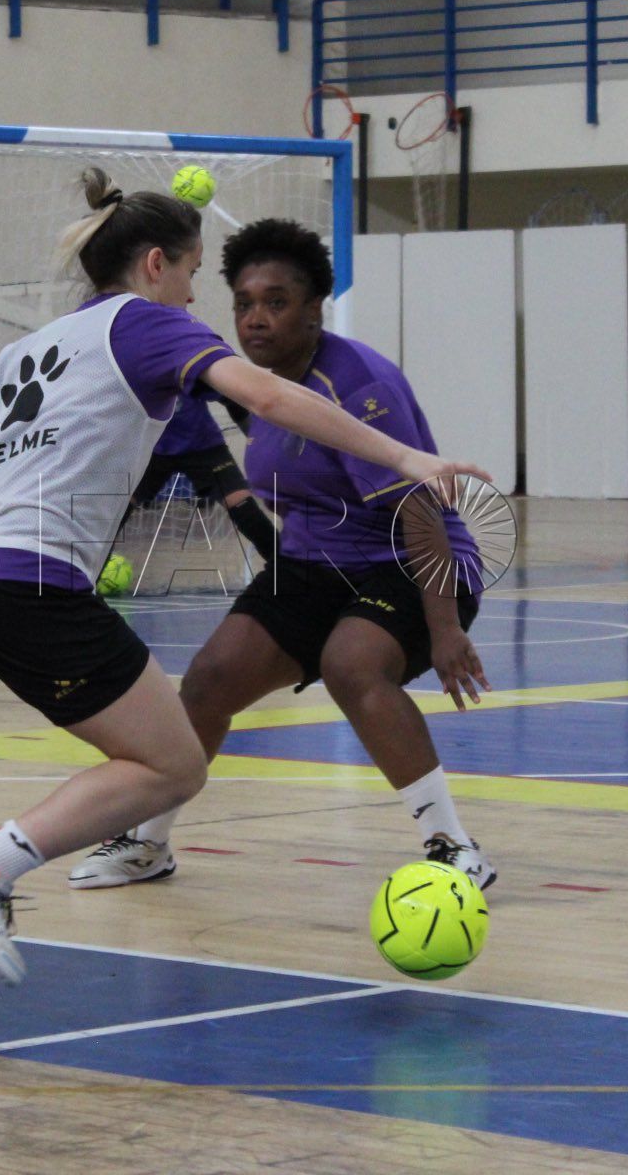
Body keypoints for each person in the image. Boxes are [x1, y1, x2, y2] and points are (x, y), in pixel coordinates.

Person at [0, 176, 489, 988]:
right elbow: (262, 393)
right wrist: (408, 456)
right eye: (191, 273)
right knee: (172, 766)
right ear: (155, 265)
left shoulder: (25, 351)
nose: (195, 296)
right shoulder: (149, 326)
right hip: (25, 576)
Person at [67, 218, 498, 896]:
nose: (256, 319)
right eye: (243, 304)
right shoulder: (252, 385)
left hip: (412, 563)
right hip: (312, 567)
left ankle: (451, 844)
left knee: (351, 665)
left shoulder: (357, 383)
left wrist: (443, 630)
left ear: (314, 308)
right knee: (209, 679)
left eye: (276, 302)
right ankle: (149, 842)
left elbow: (419, 508)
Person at [119, 393, 278, 565]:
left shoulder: (190, 369)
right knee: (116, 510)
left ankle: (288, 570)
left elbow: (231, 399)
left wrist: (257, 441)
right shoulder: (130, 372)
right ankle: (87, 580)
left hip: (204, 446)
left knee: (243, 506)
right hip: (151, 450)